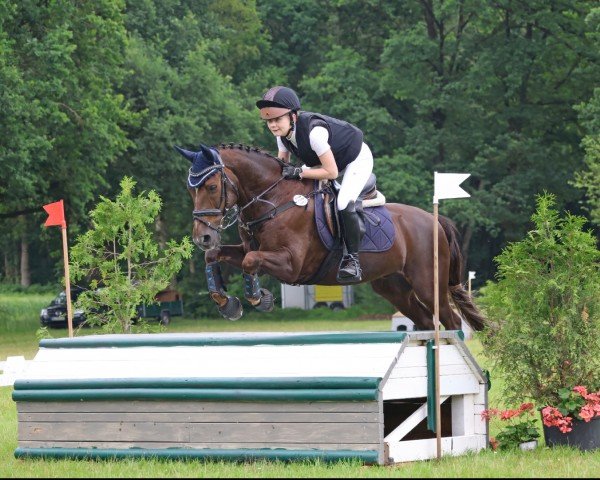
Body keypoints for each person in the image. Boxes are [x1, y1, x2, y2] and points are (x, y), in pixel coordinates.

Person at [256, 86, 374, 284]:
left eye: (277, 120)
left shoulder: (314, 133)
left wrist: (300, 171)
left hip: (355, 159)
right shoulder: (282, 138)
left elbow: (332, 172)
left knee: (344, 202)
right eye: (269, 121)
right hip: (325, 162)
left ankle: (352, 259)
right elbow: (282, 169)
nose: (273, 125)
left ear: (293, 116)